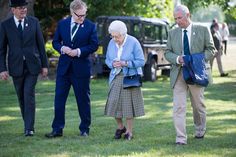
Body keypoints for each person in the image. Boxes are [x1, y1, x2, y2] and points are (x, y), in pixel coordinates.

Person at [45, 0, 98, 138]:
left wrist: (79, 51)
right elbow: (56, 42)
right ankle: (57, 129)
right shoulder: (62, 24)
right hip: (64, 69)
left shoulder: (90, 26)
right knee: (59, 100)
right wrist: (62, 48)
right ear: (71, 12)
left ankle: (85, 129)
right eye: (79, 15)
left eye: (84, 15)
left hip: (81, 69)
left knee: (83, 100)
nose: (82, 18)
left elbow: (94, 45)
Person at [164, 5, 215, 145]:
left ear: (188, 15)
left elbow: (211, 50)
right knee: (178, 107)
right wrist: (177, 59)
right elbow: (167, 52)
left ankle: (200, 130)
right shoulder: (172, 33)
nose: (177, 21)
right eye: (175, 18)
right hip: (179, 73)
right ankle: (181, 138)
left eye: (180, 18)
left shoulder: (203, 30)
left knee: (198, 105)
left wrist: (195, 59)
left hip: (196, 72)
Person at [0, 0, 48, 136]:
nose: (23, 10)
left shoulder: (34, 22)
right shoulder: (5, 25)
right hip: (16, 67)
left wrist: (44, 65)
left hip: (33, 66)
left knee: (28, 94)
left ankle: (29, 129)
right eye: (20, 8)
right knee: (21, 97)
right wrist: (2, 69)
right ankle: (27, 124)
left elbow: (41, 45)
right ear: (13, 10)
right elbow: (1, 49)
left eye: (25, 8)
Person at [104, 20, 145, 140]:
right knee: (112, 104)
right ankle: (120, 127)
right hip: (116, 76)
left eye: (117, 36)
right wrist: (112, 63)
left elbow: (141, 61)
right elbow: (107, 60)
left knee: (128, 107)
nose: (115, 39)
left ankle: (129, 132)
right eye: (113, 36)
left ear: (123, 33)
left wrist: (125, 63)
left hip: (130, 78)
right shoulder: (112, 42)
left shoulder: (133, 42)